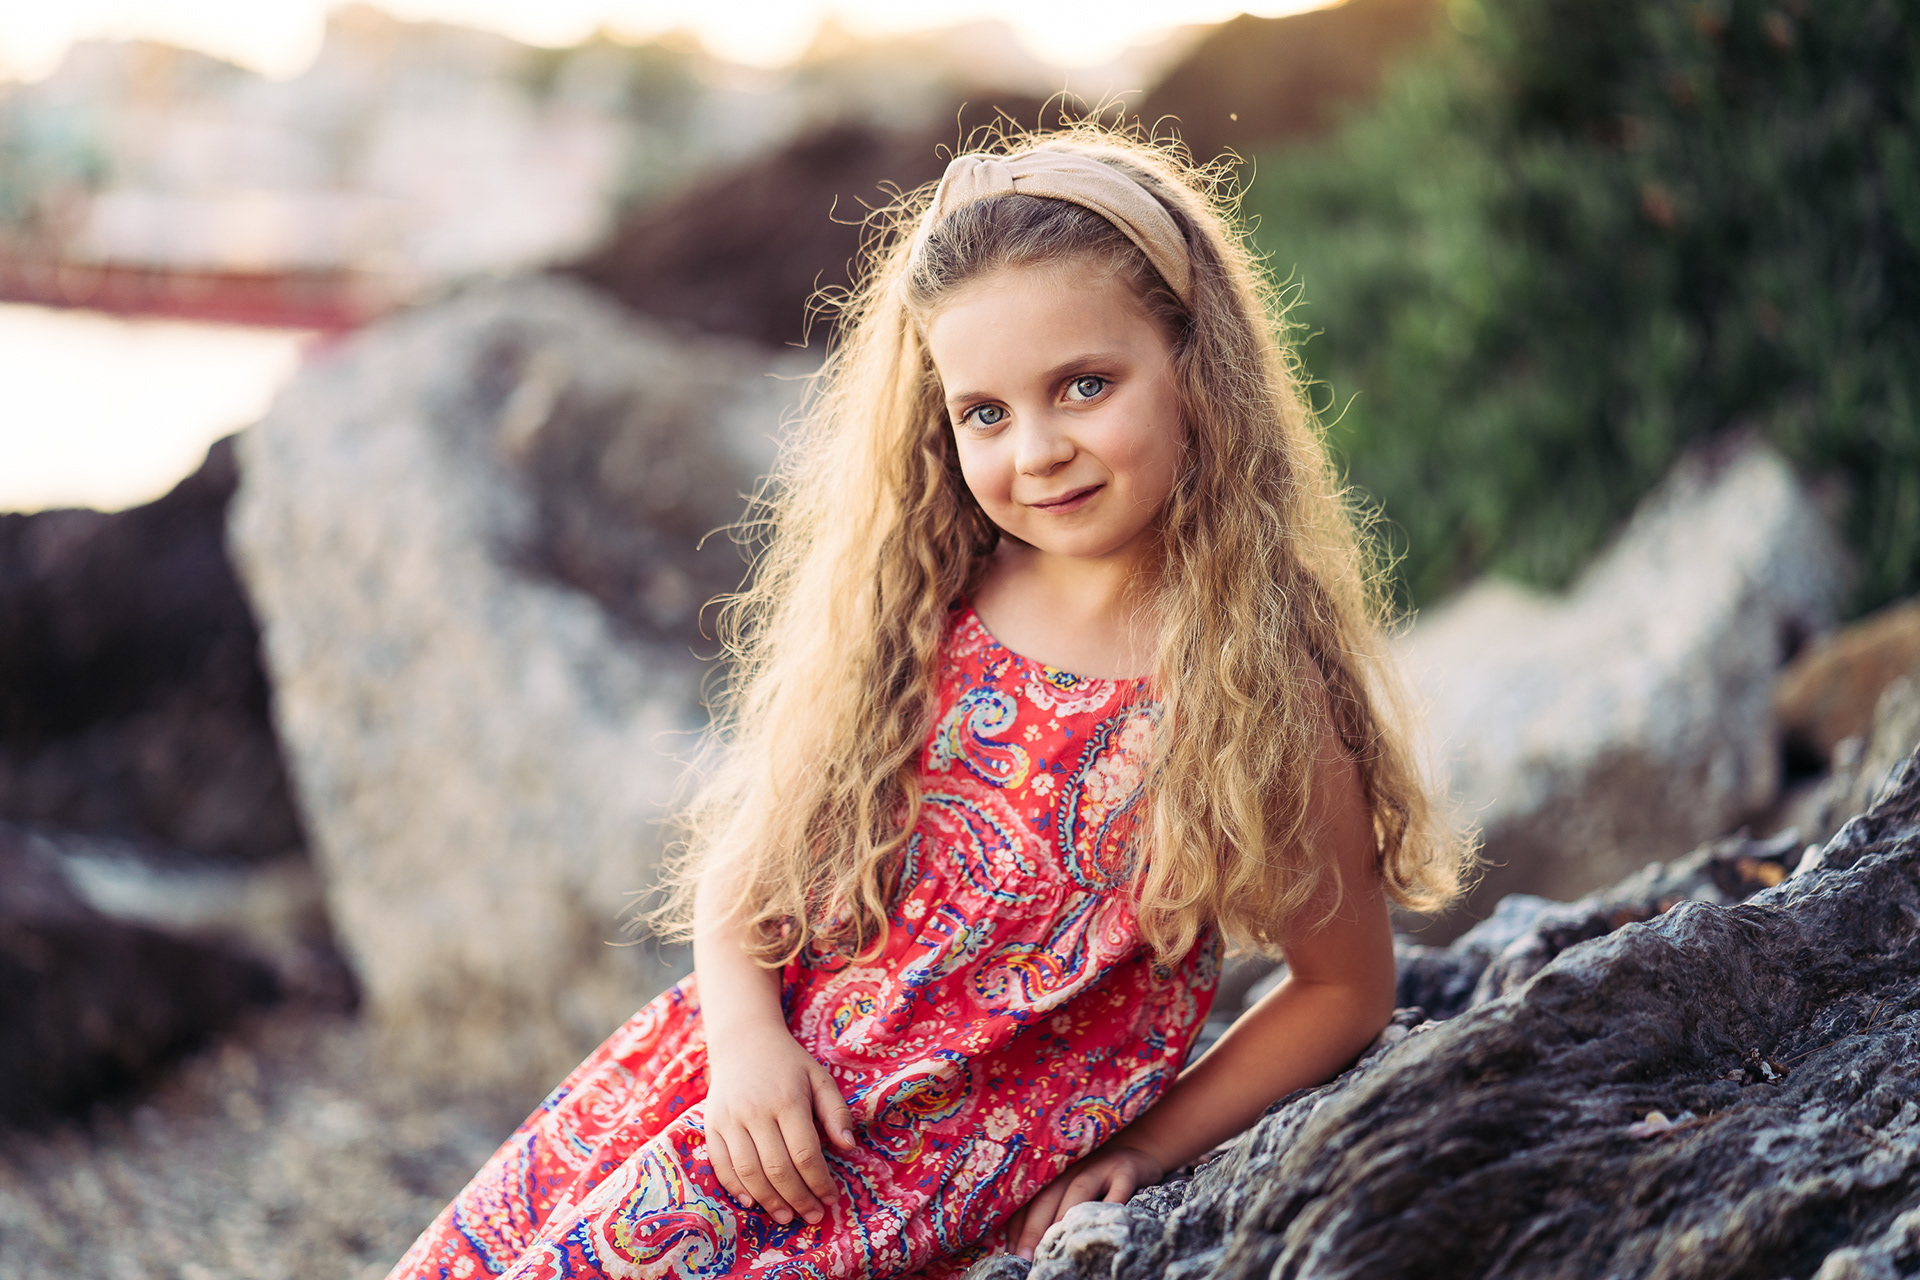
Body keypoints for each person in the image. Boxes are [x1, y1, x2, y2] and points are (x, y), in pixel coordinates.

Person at [387, 124, 1470, 1280]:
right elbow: (749, 872)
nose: (1037, 449)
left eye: (1084, 386)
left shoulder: (1249, 686)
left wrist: (1152, 1144)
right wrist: (744, 1040)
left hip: (903, 1196)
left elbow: (1344, 986)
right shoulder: (925, 605)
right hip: (729, 1102)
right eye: (985, 412)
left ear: (1197, 364)